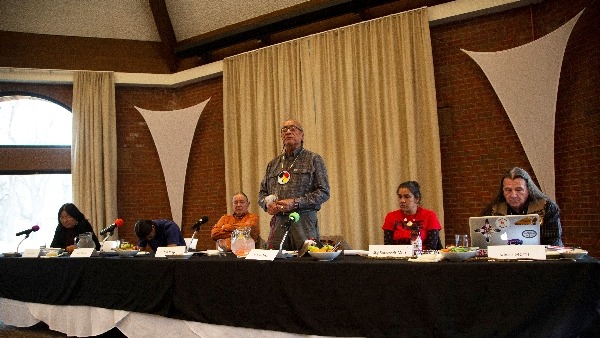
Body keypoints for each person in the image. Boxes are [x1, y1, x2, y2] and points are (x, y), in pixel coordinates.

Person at [258, 119, 330, 250]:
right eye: (284, 129)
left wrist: (296, 202)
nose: (288, 132)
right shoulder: (273, 164)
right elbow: (262, 193)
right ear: (281, 136)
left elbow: (324, 192)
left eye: (293, 128)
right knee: (275, 261)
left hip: (304, 221)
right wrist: (267, 205)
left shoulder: (313, 159)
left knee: (306, 261)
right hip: (279, 222)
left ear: (302, 135)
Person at [482, 167, 563, 246]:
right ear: (503, 191)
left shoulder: (546, 207)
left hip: (539, 257)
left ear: (529, 190)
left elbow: (554, 243)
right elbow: (484, 243)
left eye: (519, 190)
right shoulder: (492, 209)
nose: (513, 195)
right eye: (508, 190)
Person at [382, 181, 442, 250]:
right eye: (400, 197)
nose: (402, 200)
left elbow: (432, 247)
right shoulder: (391, 216)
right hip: (398, 259)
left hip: (423, 258)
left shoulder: (429, 215)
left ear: (417, 199)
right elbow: (388, 246)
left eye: (407, 197)